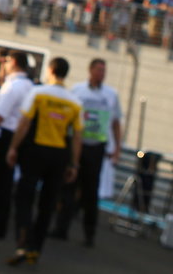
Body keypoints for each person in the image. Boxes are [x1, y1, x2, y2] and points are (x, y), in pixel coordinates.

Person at [5, 56, 82, 267]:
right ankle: (35, 249)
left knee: (25, 197)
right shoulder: (74, 101)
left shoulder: (38, 93)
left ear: (50, 70)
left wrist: (13, 147)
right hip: (59, 156)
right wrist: (74, 164)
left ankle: (23, 240)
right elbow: (77, 136)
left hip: (35, 152)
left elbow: (24, 122)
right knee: (47, 204)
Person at [53, 57, 122, 246]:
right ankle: (61, 228)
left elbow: (116, 123)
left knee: (91, 193)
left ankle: (89, 234)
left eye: (104, 71)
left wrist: (116, 148)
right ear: (90, 70)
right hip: (77, 144)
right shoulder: (77, 90)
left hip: (96, 147)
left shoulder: (111, 94)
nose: (102, 74)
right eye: (99, 70)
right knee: (69, 186)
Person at [0, 50, 36, 238]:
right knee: (5, 183)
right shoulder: (29, 86)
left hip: (3, 135)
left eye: (6, 62)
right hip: (19, 136)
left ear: (13, 62)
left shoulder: (13, 86)